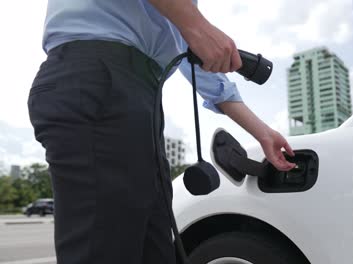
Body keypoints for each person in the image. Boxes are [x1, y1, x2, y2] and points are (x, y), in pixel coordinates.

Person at [27, 0, 296, 263]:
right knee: (104, 250)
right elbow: (193, 33)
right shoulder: (183, 13)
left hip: (140, 97)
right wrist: (196, 24)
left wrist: (262, 132)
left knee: (155, 251)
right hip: (97, 76)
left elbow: (208, 77)